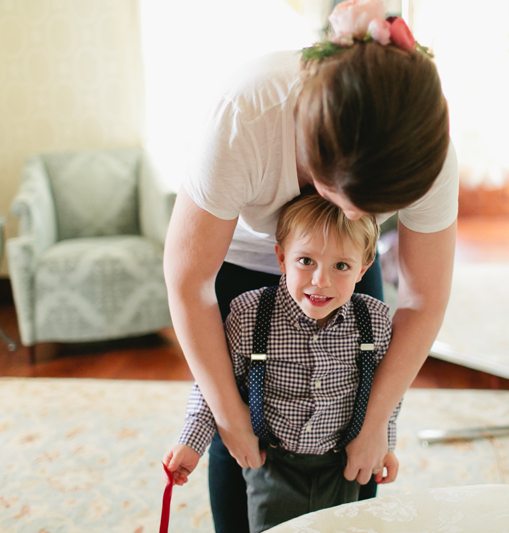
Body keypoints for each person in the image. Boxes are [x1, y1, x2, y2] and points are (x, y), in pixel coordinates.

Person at [162, 1, 457, 532]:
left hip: (349, 257)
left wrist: (375, 426)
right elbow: (188, 284)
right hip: (238, 255)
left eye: (370, 209)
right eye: (340, 195)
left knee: (356, 422)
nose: (348, 215)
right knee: (242, 430)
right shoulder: (244, 116)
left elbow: (423, 299)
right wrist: (230, 422)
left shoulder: (426, 152)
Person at [165, 192, 402, 532]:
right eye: (306, 261)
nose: (321, 280)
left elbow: (388, 391)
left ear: (363, 269)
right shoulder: (249, 315)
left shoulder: (375, 321)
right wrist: (191, 442)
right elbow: (214, 382)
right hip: (271, 467)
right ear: (281, 257)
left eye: (341, 266)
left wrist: (386, 442)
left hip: (342, 466)